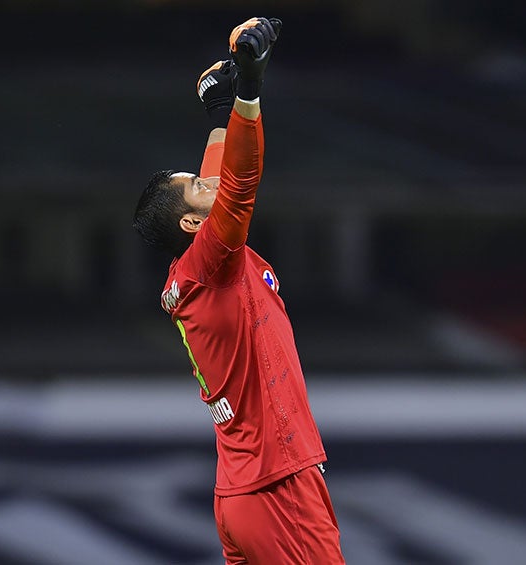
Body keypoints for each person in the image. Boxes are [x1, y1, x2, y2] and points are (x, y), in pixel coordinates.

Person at [132, 17, 345, 564]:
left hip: (240, 493)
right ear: (189, 225)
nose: (212, 182)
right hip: (280, 486)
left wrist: (218, 114)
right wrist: (249, 92)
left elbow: (218, 175)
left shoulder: (198, 270)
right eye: (199, 188)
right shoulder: (214, 262)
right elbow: (240, 183)